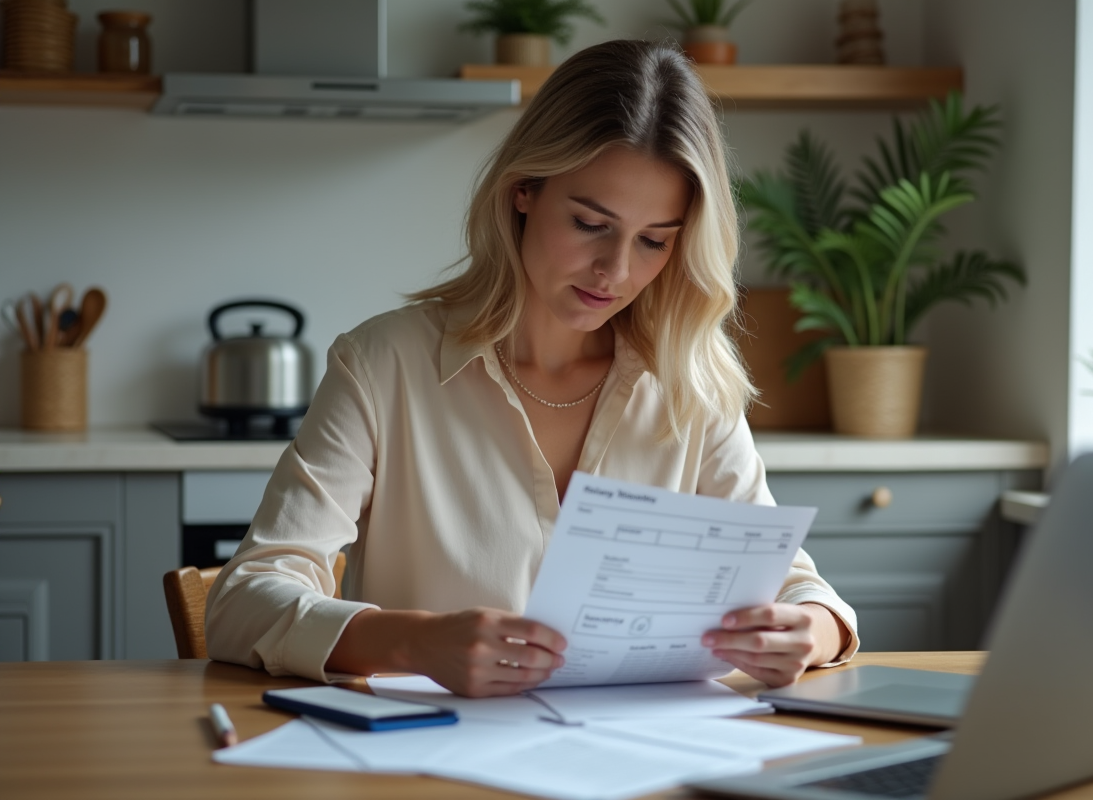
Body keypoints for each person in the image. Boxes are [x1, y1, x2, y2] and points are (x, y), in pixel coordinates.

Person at [206, 39, 859, 698]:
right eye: (589, 223)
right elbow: (242, 603)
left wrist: (809, 629)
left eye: (654, 240)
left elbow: (801, 591)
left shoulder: (692, 384)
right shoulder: (385, 365)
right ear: (523, 191)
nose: (617, 271)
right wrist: (415, 642)